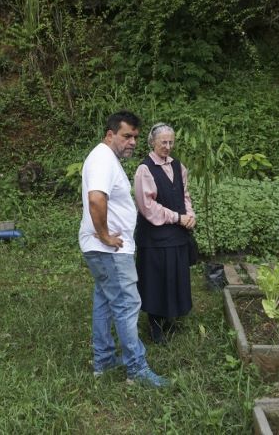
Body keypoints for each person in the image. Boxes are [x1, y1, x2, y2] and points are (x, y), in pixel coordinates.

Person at [79, 111, 169, 388]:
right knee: (128, 304)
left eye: (135, 137)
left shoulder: (105, 159)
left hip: (104, 249)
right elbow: (96, 199)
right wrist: (105, 235)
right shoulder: (103, 159)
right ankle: (137, 369)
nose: (132, 142)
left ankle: (104, 361)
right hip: (110, 251)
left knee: (105, 301)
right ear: (109, 134)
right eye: (126, 135)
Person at [134, 123, 195, 344]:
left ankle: (171, 320)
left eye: (171, 142)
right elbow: (147, 207)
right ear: (152, 142)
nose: (168, 147)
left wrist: (190, 215)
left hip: (177, 235)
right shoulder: (145, 169)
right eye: (163, 142)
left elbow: (185, 195)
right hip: (154, 238)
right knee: (156, 281)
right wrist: (178, 217)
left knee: (175, 278)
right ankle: (155, 326)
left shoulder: (179, 167)